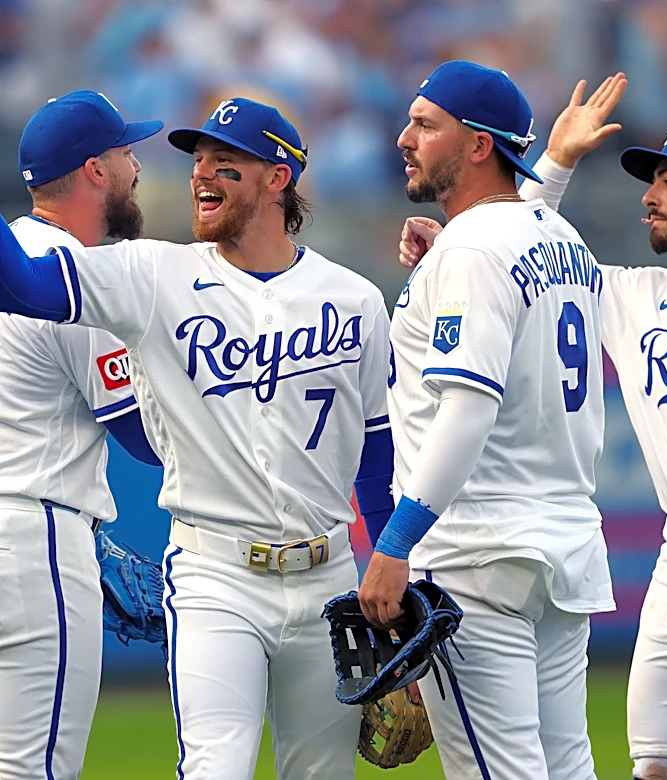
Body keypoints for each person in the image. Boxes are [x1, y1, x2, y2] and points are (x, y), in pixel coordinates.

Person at [0, 96, 394, 780]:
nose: (201, 171)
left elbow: (378, 450)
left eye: (225, 159)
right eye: (198, 158)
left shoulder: (355, 297)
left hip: (329, 575)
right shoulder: (153, 274)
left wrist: (391, 563)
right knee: (215, 768)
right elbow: (29, 288)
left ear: (278, 178)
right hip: (215, 573)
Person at [401, 76, 667, 780]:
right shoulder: (637, 296)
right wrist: (550, 166)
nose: (649, 193)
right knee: (658, 768)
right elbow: (519, 245)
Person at [357, 60, 616, 780]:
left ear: (477, 146)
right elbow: (511, 233)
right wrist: (554, 164)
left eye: (426, 124)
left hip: (476, 551)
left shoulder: (472, 250)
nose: (405, 137)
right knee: (566, 764)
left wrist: (394, 542)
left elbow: (469, 409)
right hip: (561, 544)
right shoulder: (563, 241)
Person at [0, 90, 163, 780]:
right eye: (127, 152)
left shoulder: (16, 254)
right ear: (95, 170)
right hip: (33, 536)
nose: (136, 166)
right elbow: (141, 436)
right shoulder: (76, 276)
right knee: (33, 768)